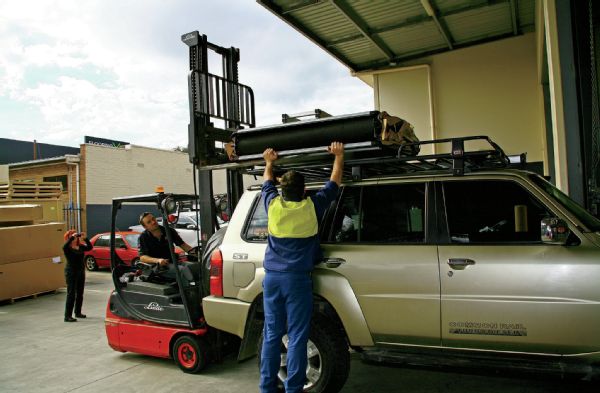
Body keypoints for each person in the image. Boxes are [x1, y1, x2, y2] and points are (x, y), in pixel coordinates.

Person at [259, 141, 344, 393]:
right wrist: (338, 156)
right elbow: (334, 183)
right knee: (297, 336)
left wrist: (269, 162)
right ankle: (293, 389)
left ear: (281, 191)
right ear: (305, 190)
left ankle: (266, 388)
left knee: (272, 335)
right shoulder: (312, 207)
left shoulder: (272, 206)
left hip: (272, 278)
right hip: (297, 280)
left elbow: (266, 182)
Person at [137, 212, 197, 287]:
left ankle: (196, 288)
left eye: (153, 219)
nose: (153, 222)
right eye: (149, 222)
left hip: (173, 262)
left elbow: (182, 245)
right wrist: (157, 260)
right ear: (145, 227)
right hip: (159, 267)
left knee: (195, 266)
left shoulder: (169, 231)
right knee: (182, 270)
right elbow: (142, 257)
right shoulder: (143, 237)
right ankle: (188, 292)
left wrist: (196, 252)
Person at [62, 229, 93, 322]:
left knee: (80, 293)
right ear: (68, 238)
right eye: (72, 236)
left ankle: (78, 312)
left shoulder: (81, 247)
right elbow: (64, 247)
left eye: (76, 236)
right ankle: (67, 316)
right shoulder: (68, 248)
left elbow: (90, 247)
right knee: (71, 294)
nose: (75, 238)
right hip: (71, 272)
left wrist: (86, 238)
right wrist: (71, 238)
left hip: (80, 272)